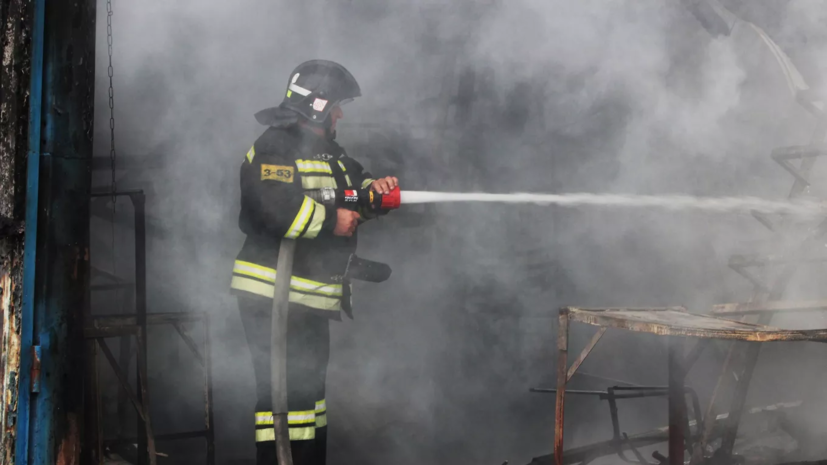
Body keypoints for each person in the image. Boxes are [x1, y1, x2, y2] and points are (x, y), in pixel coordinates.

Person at [230, 60, 398, 465]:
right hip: (274, 296)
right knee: (284, 401)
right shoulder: (275, 146)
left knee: (308, 404)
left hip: (306, 298)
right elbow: (273, 208)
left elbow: (350, 191)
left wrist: (375, 192)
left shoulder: (329, 154)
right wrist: (330, 222)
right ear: (318, 105)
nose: (341, 115)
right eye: (337, 106)